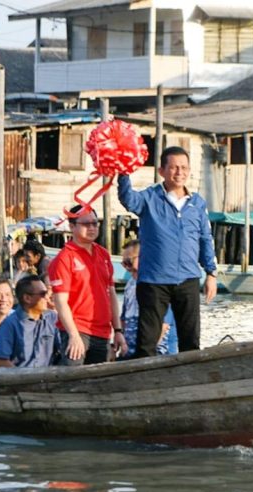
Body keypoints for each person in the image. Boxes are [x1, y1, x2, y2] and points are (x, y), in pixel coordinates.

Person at [117, 146, 217, 357]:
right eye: (173, 167)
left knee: (190, 341)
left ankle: (189, 384)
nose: (179, 172)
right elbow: (128, 199)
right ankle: (145, 384)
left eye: (183, 168)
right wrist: (123, 172)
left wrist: (211, 273)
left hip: (188, 278)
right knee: (147, 343)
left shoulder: (197, 203)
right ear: (162, 171)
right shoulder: (149, 198)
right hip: (154, 280)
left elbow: (205, 238)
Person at [48, 205, 126, 366]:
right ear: (72, 227)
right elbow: (60, 301)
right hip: (78, 329)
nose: (91, 227)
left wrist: (117, 330)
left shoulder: (103, 254)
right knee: (73, 381)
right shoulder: (64, 258)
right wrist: (73, 335)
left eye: (94, 223)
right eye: (85, 224)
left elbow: (110, 293)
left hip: (103, 332)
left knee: (100, 382)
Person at [118, 240, 178, 359]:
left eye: (129, 262)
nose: (127, 268)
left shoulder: (159, 284)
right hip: (131, 350)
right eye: (124, 264)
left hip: (158, 351)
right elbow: (124, 319)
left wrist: (147, 351)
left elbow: (163, 325)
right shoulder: (130, 285)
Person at [0, 275, 61, 368]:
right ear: (27, 298)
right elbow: (1, 361)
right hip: (21, 379)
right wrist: (22, 377)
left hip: (48, 378)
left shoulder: (52, 318)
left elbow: (63, 349)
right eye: (43, 294)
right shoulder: (9, 324)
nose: (47, 297)